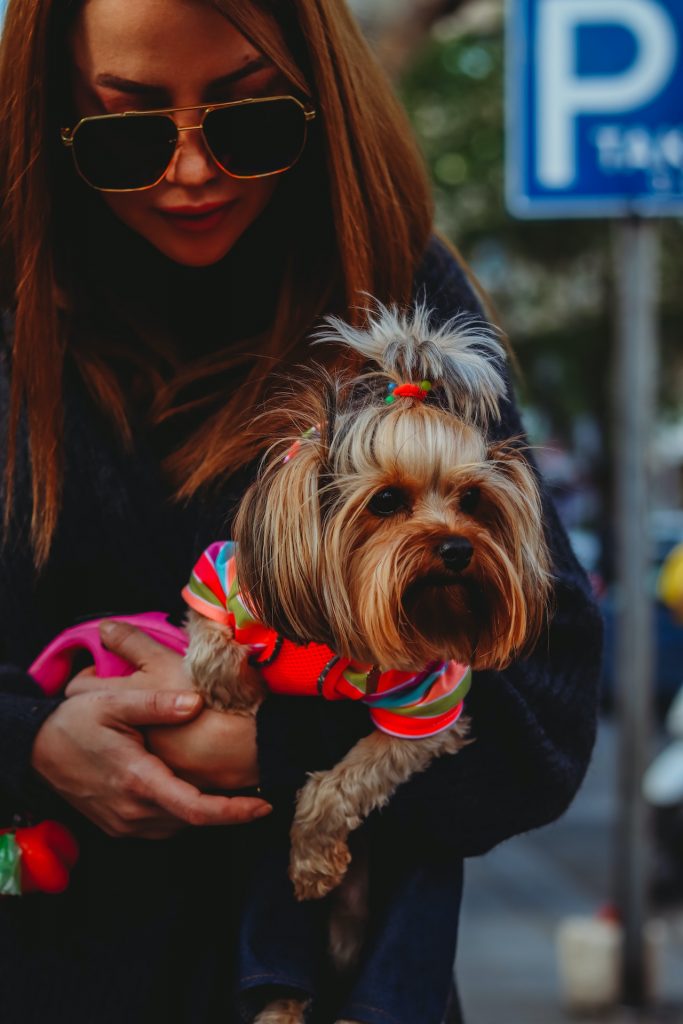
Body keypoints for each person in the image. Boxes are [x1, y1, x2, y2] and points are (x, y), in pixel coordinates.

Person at [0, 1, 603, 1022]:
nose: (191, 171)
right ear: (52, 122)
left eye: (249, 121)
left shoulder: (404, 307)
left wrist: (278, 744)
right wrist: (32, 740)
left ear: (318, 104)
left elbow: (540, 719)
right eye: (127, 134)